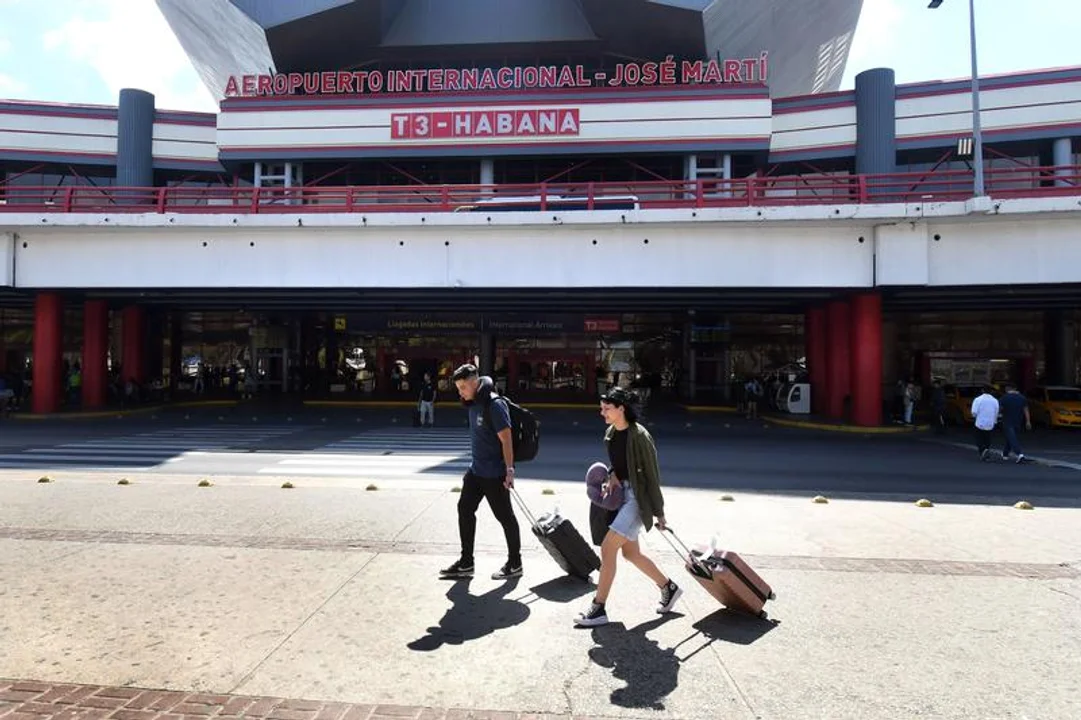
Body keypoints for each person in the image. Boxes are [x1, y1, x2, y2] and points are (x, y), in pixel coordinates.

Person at [575, 386, 682, 627]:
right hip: (622, 495)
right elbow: (619, 464)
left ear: (621, 409)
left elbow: (652, 476)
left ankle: (598, 607)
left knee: (608, 547)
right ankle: (669, 587)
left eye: (607, 409)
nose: (602, 413)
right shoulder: (611, 434)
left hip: (637, 499)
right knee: (631, 553)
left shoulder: (640, 436)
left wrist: (659, 512)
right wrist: (612, 474)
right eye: (601, 409)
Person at [439, 363, 522, 581]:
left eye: (463, 387)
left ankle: (515, 563)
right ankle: (466, 563)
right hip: (476, 471)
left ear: (475, 383)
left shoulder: (494, 405)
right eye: (458, 388)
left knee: (505, 518)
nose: (460, 392)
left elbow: (506, 439)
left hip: (495, 473)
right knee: (464, 509)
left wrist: (509, 470)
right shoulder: (472, 403)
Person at [998, 384, 1031, 463]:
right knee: (1011, 438)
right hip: (1018, 421)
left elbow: (999, 409)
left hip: (1007, 420)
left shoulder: (1004, 398)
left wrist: (997, 416)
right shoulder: (1022, 398)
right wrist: (1028, 421)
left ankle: (1019, 454)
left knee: (1012, 438)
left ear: (1007, 389)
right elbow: (1026, 410)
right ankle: (1005, 454)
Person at [971, 386, 1000, 461]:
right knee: (987, 438)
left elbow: (974, 412)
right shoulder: (995, 400)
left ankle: (983, 450)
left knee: (979, 438)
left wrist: (975, 416)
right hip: (990, 423)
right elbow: (996, 412)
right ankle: (986, 450)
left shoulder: (978, 399)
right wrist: (995, 420)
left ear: (982, 390)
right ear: (991, 391)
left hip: (980, 422)